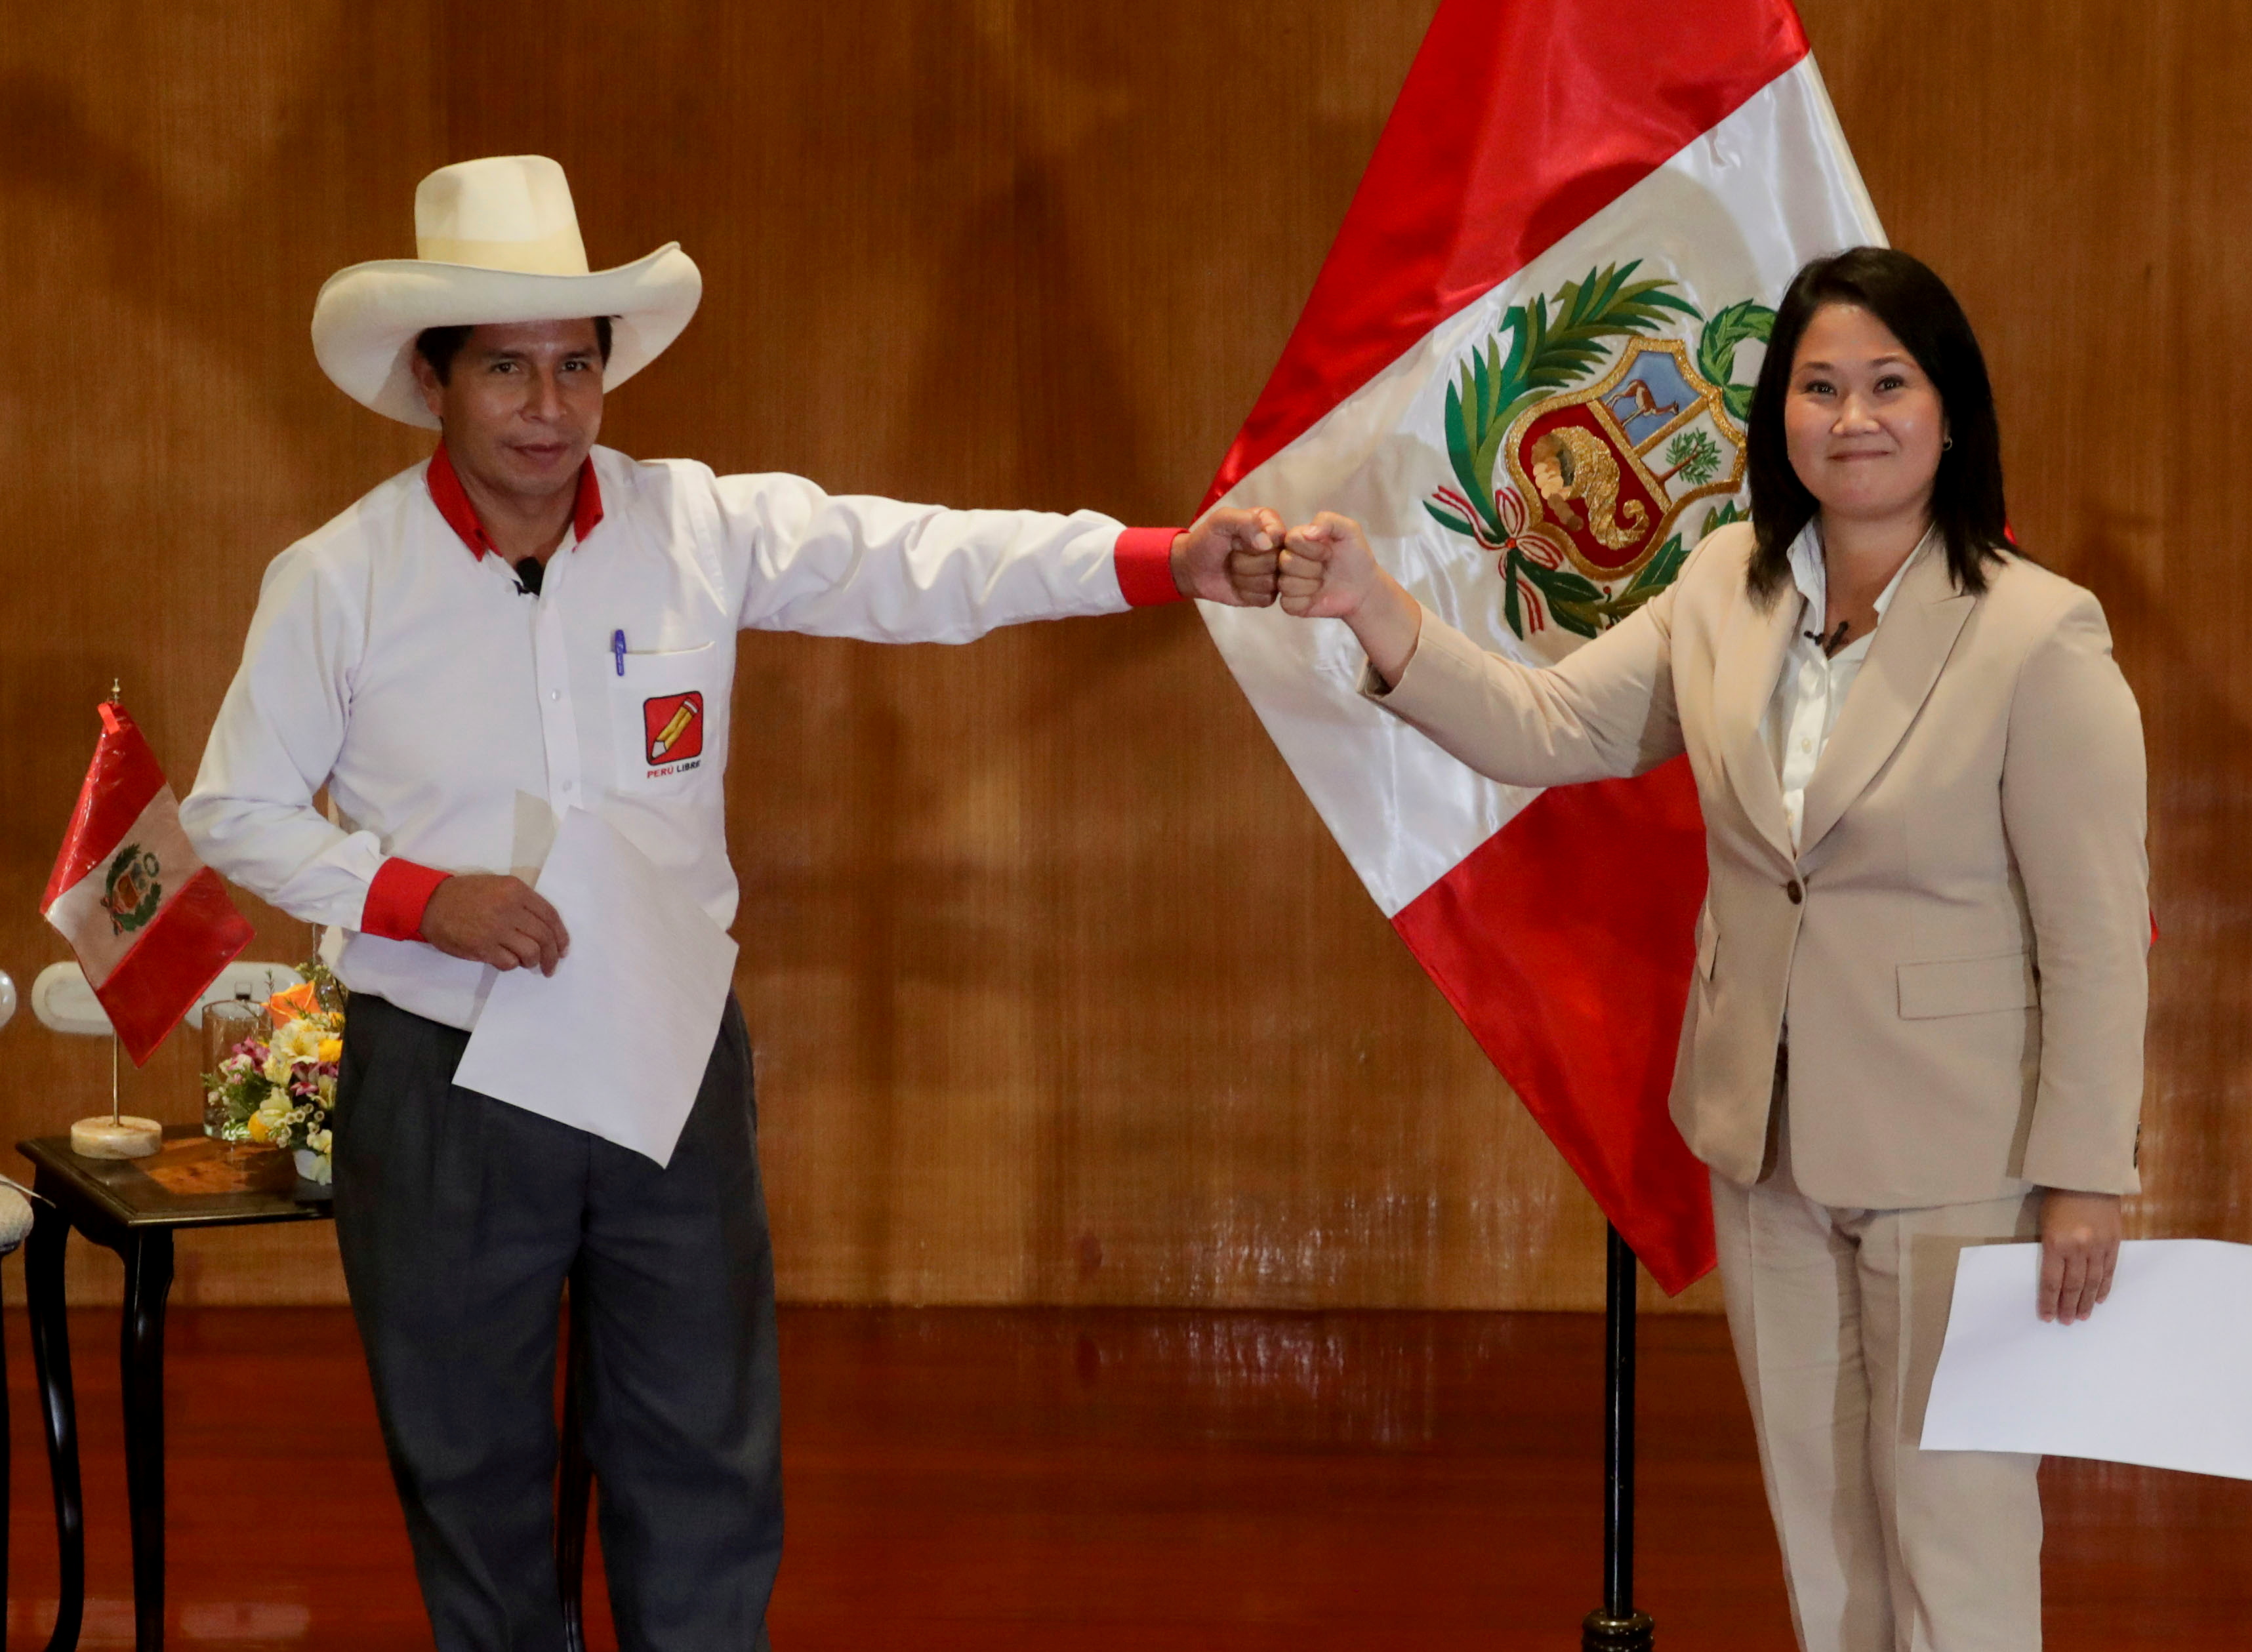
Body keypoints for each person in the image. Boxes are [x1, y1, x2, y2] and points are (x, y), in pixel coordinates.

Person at [182, 154, 1282, 1652]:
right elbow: (232, 808)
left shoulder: (693, 524)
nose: (549, 409)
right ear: (431, 377)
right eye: (507, 369)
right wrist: (412, 896)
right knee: (472, 1472)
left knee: (700, 1453)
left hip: (666, 1061)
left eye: (578, 367)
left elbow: (923, 559)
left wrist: (1162, 559)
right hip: (442, 1077)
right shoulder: (337, 578)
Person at [1271, 247, 2146, 1651]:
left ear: (1948, 410)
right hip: (1765, 1144)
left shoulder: (2039, 634)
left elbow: (2098, 937)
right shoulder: (1723, 584)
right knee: (1822, 1536)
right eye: (1817, 388)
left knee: (1956, 1533)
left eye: (1886, 385)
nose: (1850, 418)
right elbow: (1545, 729)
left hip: (1962, 1160)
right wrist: (1376, 608)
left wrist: (2086, 1180)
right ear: (1777, 416)